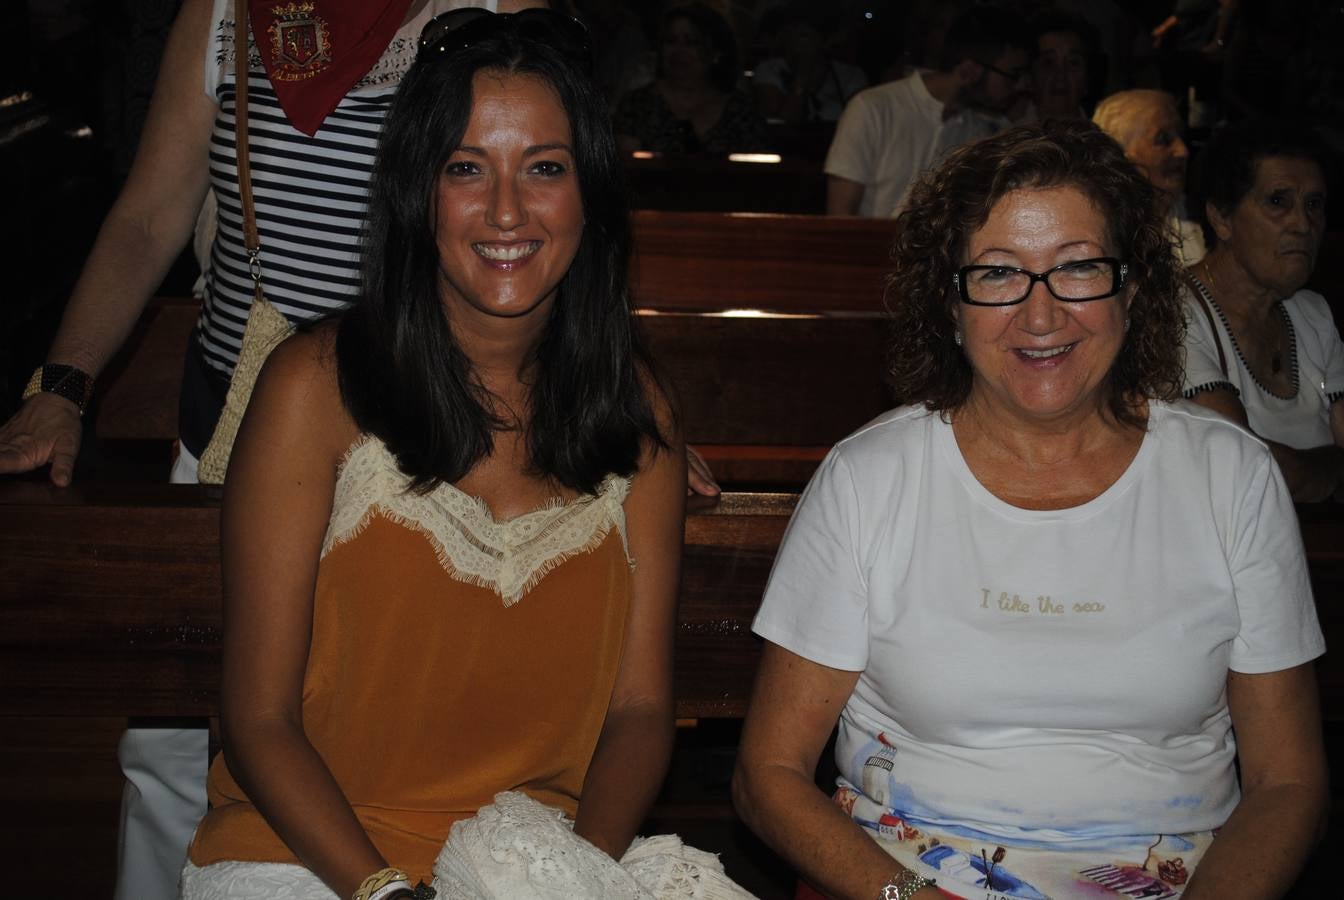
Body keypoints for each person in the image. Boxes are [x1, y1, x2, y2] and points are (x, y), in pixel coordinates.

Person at [0, 2, 717, 898]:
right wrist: (63, 384)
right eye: (465, 166)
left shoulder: (496, 17)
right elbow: (150, 213)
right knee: (172, 758)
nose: (505, 201)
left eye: (541, 169)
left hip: (504, 399)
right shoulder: (232, 16)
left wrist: (619, 432)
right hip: (279, 397)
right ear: (421, 181)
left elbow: (639, 707)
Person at [733, 121, 1327, 900]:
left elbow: (1287, 783)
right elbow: (767, 775)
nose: (1041, 316)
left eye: (1078, 268)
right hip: (902, 881)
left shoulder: (1230, 476)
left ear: (1135, 287)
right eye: (998, 274)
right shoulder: (869, 478)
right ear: (949, 304)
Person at [1181, 120, 1343, 501]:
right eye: (1278, 202)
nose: (1303, 225)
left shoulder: (1312, 314)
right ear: (1222, 217)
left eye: (1314, 205)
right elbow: (1241, 466)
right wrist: (1334, 466)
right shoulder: (1173, 312)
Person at [823, 5, 1031, 217]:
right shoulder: (873, 107)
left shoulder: (988, 127)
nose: (1021, 85)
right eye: (1013, 75)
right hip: (871, 247)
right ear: (970, 70)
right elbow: (840, 214)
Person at [611, 2, 766, 157]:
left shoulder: (739, 109)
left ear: (715, 52)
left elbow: (757, 170)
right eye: (670, 41)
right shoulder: (636, 105)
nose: (678, 51)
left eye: (691, 42)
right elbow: (627, 167)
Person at [1092, 88, 1205, 263]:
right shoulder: (1098, 229)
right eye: (1163, 139)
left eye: (1180, 136)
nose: (1182, 151)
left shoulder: (1201, 215)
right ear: (1122, 155)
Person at [751, 3, 868, 124]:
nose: (794, 41)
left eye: (803, 35)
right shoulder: (769, 70)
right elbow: (781, 123)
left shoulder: (851, 76)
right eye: (790, 34)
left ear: (826, 41)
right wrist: (800, 80)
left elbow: (858, 122)